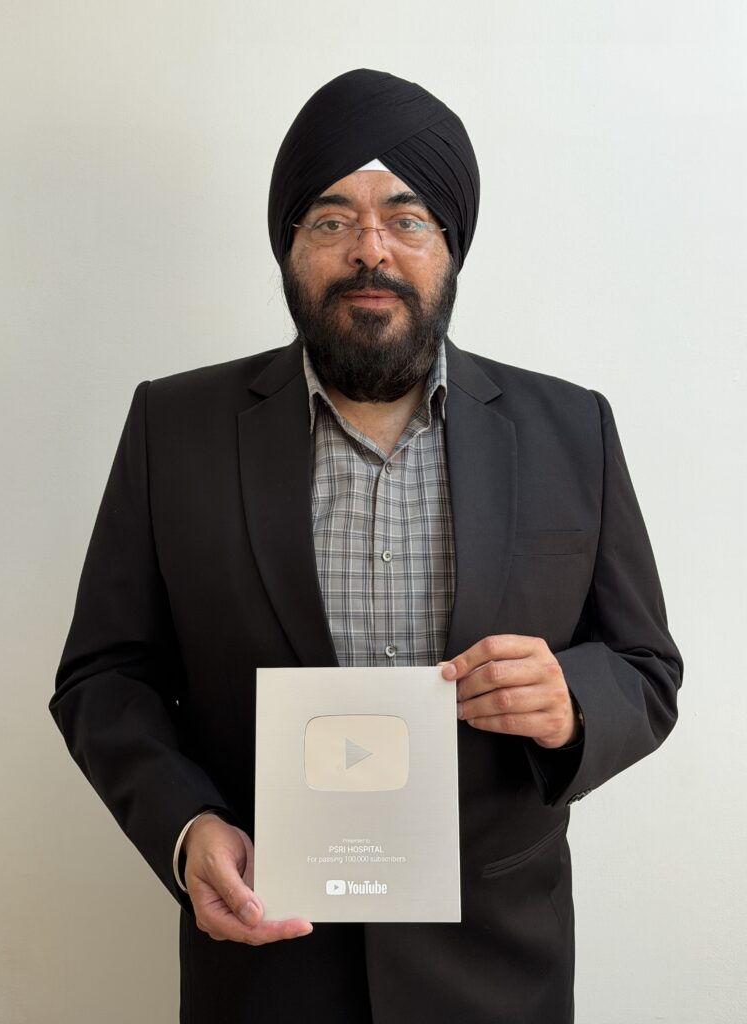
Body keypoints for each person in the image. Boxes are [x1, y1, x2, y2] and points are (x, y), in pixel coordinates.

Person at [50, 68, 682, 1024]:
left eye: (406, 218)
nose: (370, 250)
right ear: (290, 247)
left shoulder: (570, 430)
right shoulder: (172, 428)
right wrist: (186, 826)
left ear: (452, 247)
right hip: (265, 968)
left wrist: (573, 703)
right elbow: (104, 675)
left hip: (498, 975)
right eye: (331, 220)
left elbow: (646, 668)